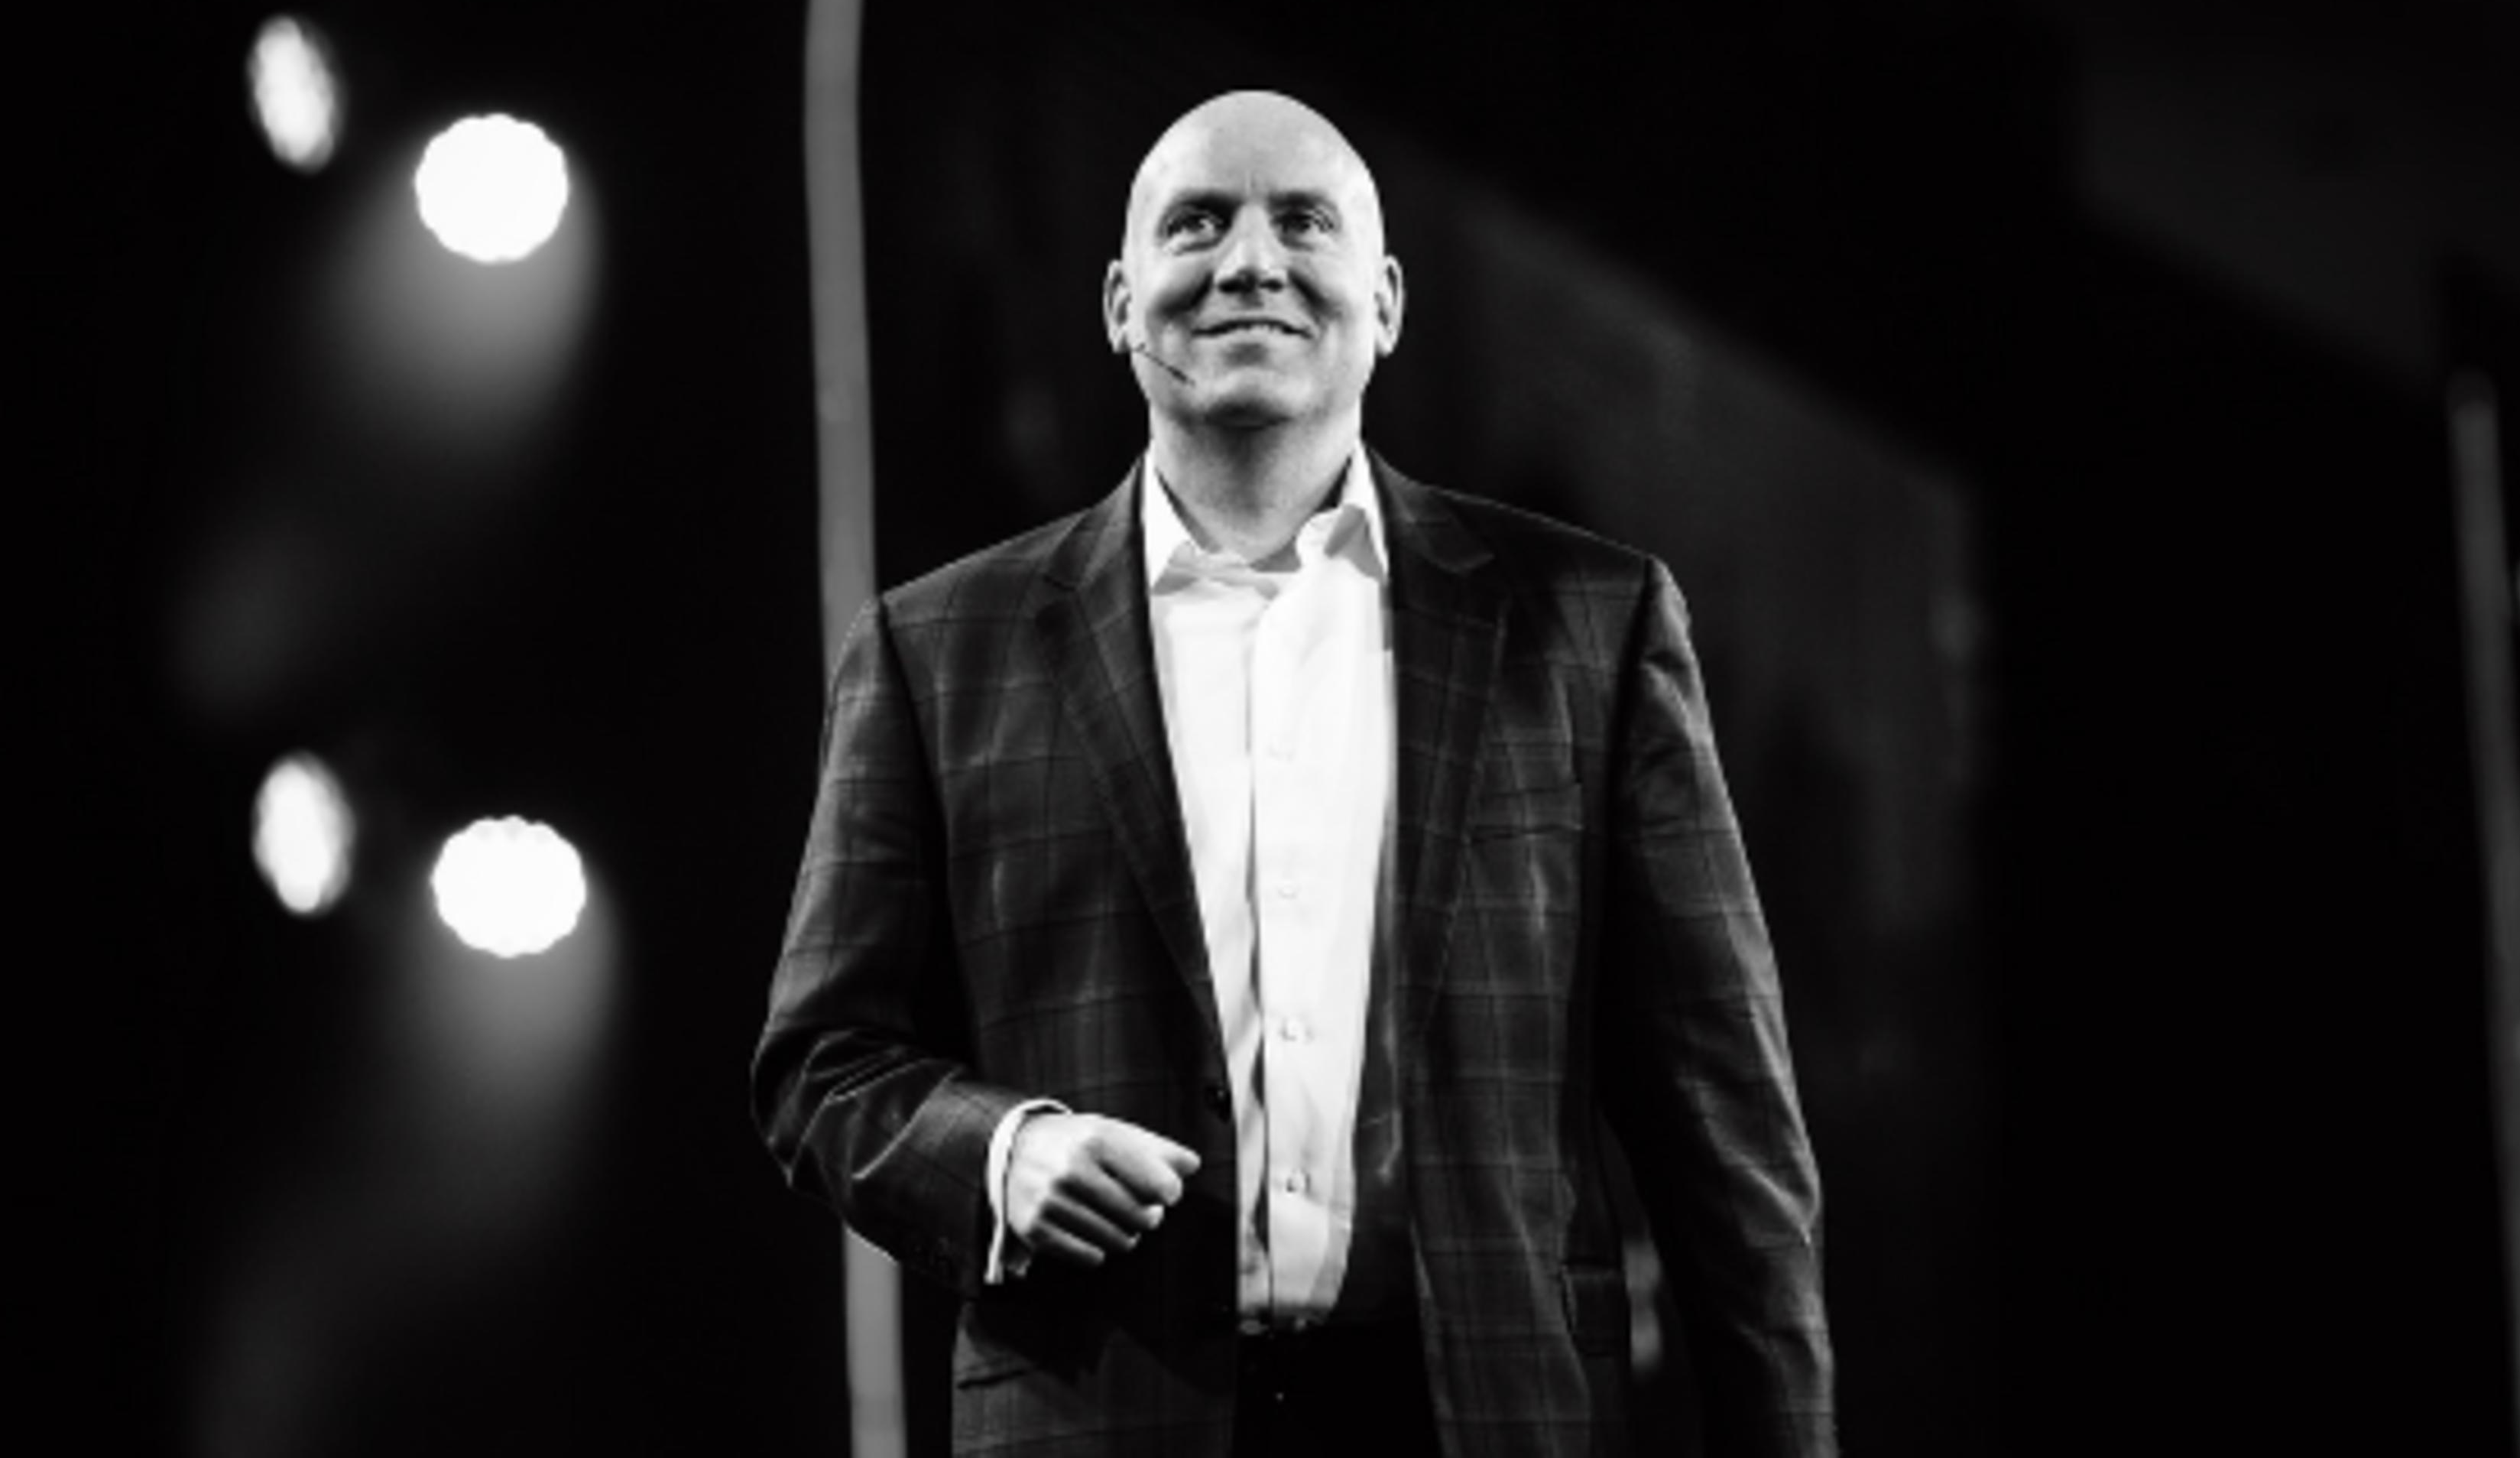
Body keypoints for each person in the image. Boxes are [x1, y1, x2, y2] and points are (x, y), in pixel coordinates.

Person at [754, 89, 1833, 1456]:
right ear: (1120, 304)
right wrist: (1003, 1152)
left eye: (1304, 223)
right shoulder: (936, 648)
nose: (1250, 261)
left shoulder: (1589, 624)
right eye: (1198, 224)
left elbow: (1724, 1124)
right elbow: (822, 1064)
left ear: (1384, 302)